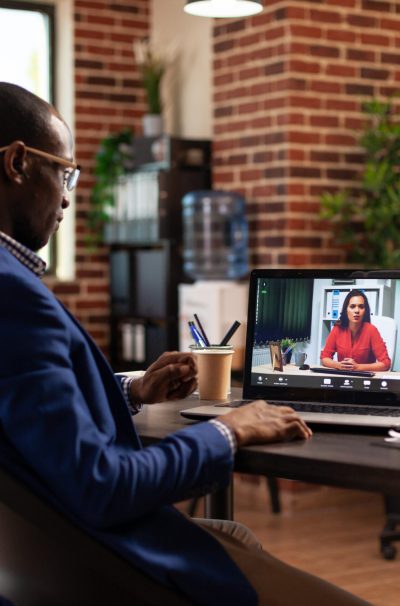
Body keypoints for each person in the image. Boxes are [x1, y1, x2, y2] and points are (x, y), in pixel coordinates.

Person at [0, 82, 371, 606]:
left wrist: (132, 389)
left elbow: (35, 412)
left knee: (236, 535)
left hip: (36, 567)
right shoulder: (14, 297)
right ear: (17, 163)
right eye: (64, 173)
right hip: (111, 567)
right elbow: (103, 486)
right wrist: (228, 430)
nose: (66, 196)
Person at [321, 289, 391, 372]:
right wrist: (339, 365)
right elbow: (324, 358)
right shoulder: (337, 329)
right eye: (352, 306)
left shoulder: (372, 330)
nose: (357, 311)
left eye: (361, 307)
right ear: (346, 309)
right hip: (343, 377)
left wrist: (357, 367)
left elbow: (386, 363)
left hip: (365, 380)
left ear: (365, 311)